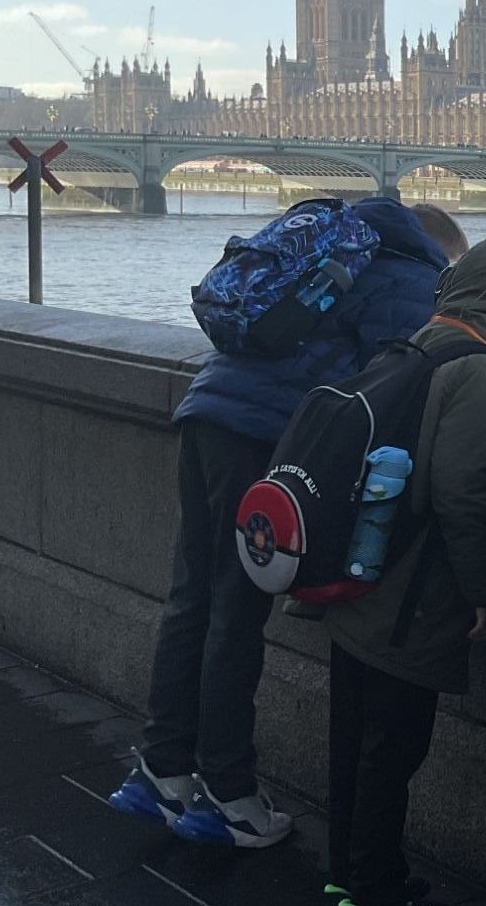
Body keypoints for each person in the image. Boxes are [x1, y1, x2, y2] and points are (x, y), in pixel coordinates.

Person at [109, 197, 461, 847]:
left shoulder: (337, 249)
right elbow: (403, 379)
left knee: (193, 598)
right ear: (442, 252)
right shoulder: (412, 273)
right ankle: (227, 795)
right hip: (262, 439)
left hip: (207, 416)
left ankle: (161, 773)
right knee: (235, 614)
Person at [323, 237, 486, 906]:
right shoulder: (479, 369)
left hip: (360, 587)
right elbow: (465, 493)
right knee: (394, 751)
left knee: (354, 747)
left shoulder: (420, 342)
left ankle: (349, 891)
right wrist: (485, 590)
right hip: (412, 601)